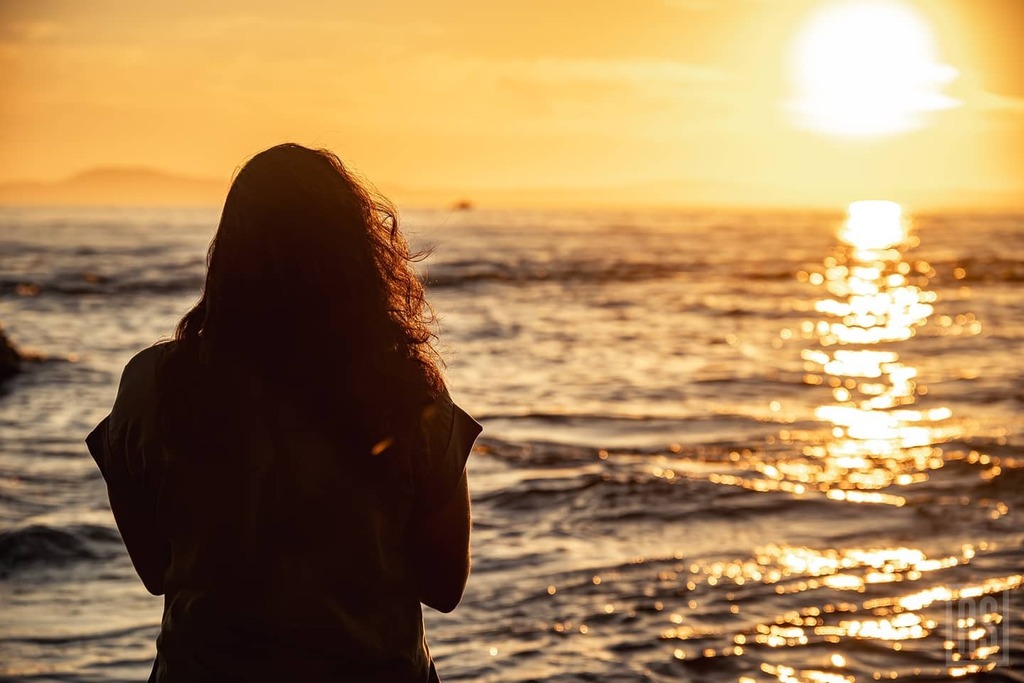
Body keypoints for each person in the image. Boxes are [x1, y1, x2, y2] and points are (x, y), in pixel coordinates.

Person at [85, 143, 481, 682]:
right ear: (357, 255)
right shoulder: (404, 390)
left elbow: (156, 571)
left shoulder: (152, 386)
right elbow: (444, 586)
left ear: (227, 251)